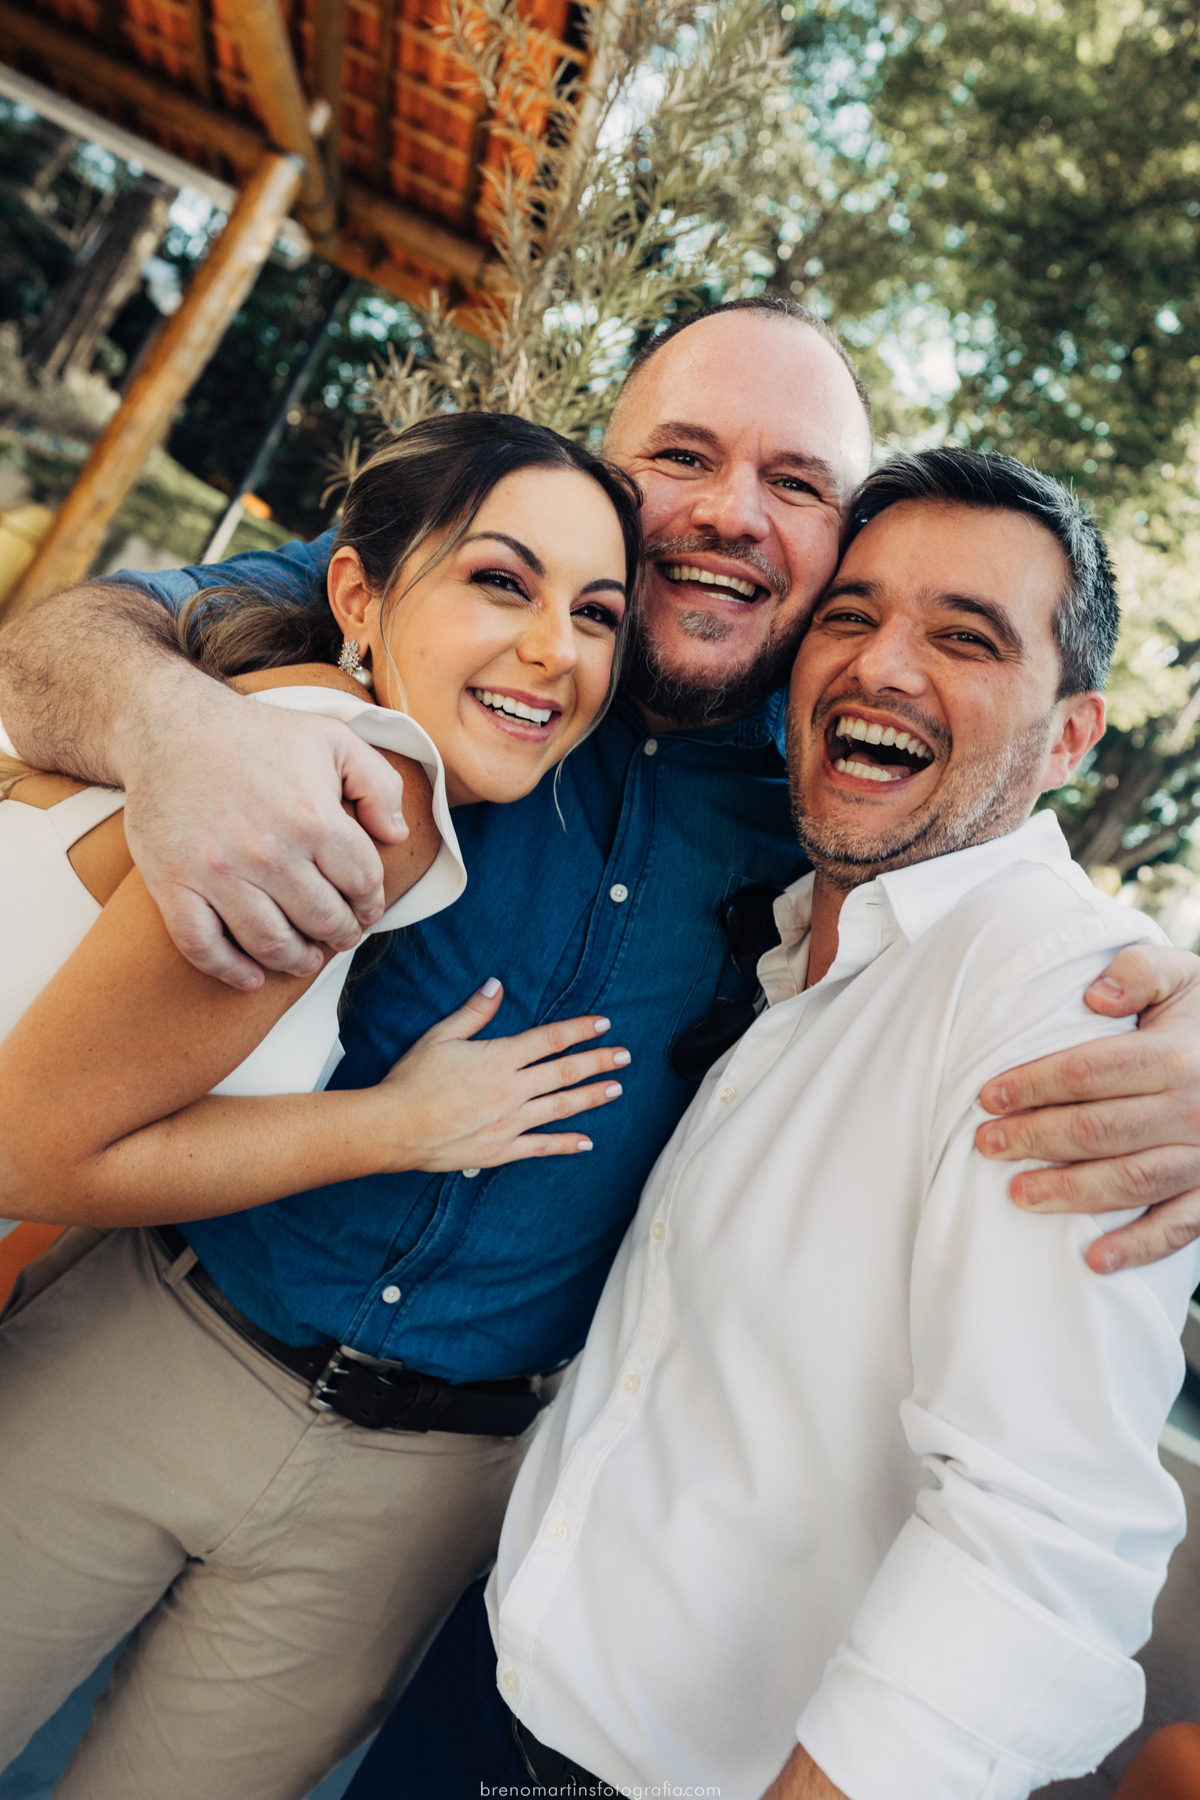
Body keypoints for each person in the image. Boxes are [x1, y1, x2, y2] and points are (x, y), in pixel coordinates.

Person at [0, 300, 1198, 1798]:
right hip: (162, 1326)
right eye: (679, 457)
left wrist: (1184, 1015)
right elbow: (58, 643)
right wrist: (177, 727)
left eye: (796, 483)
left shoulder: (839, 774)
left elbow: (1013, 836)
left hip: (427, 1491)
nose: (727, 513)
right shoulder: (464, 600)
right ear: (603, 465)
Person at [346, 448, 1200, 1800]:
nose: (882, 666)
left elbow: (1041, 1545)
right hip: (496, 1675)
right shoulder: (795, 933)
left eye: (965, 638)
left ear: (1071, 737)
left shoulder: (1066, 1007)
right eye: (850, 616)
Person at [0, 413, 642, 1795]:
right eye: (501, 582)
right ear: (360, 593)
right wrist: (404, 1127)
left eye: (598, 612)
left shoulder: (287, 699)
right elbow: (28, 1146)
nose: (557, 649)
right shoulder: (359, 792)